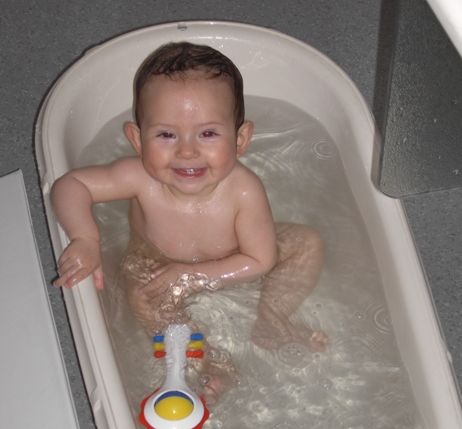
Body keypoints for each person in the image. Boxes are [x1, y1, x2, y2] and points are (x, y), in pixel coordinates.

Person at [51, 41, 327, 401]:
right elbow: (70, 186)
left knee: (306, 243)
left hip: (236, 259)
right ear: (137, 139)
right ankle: (209, 361)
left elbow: (260, 260)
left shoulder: (243, 190)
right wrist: (85, 238)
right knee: (142, 297)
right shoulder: (139, 178)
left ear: (240, 139)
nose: (186, 150)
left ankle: (272, 318)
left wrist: (193, 276)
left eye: (208, 133)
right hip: (155, 265)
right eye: (166, 134)